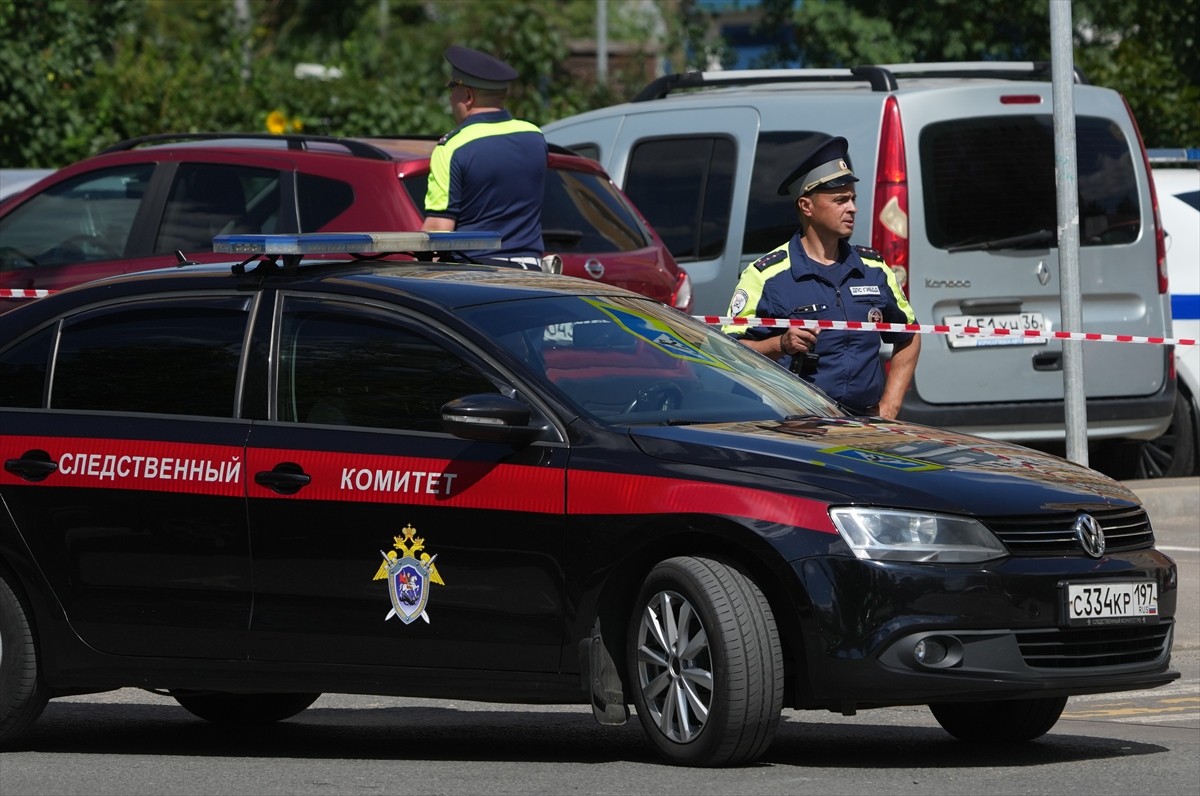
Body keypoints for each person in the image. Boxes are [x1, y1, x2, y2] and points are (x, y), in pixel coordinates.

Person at [723, 135, 920, 419]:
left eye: (852, 199)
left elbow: (910, 336)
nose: (852, 208)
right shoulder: (765, 275)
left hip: (866, 427)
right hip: (796, 428)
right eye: (840, 200)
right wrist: (780, 344)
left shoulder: (873, 268)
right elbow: (730, 353)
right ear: (806, 206)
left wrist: (889, 408)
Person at [422, 45, 548, 269]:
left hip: (476, 277)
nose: (451, 99)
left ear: (468, 96)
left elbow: (438, 230)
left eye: (453, 90)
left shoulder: (452, 148)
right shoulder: (534, 137)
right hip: (532, 273)